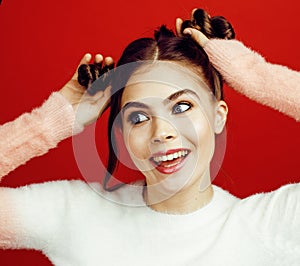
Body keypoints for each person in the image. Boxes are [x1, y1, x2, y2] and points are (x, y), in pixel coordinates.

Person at [0, 8, 299, 266]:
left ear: (218, 115)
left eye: (182, 106)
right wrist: (51, 122)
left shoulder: (273, 225)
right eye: (139, 118)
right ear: (122, 134)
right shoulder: (76, 212)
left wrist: (257, 75)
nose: (162, 133)